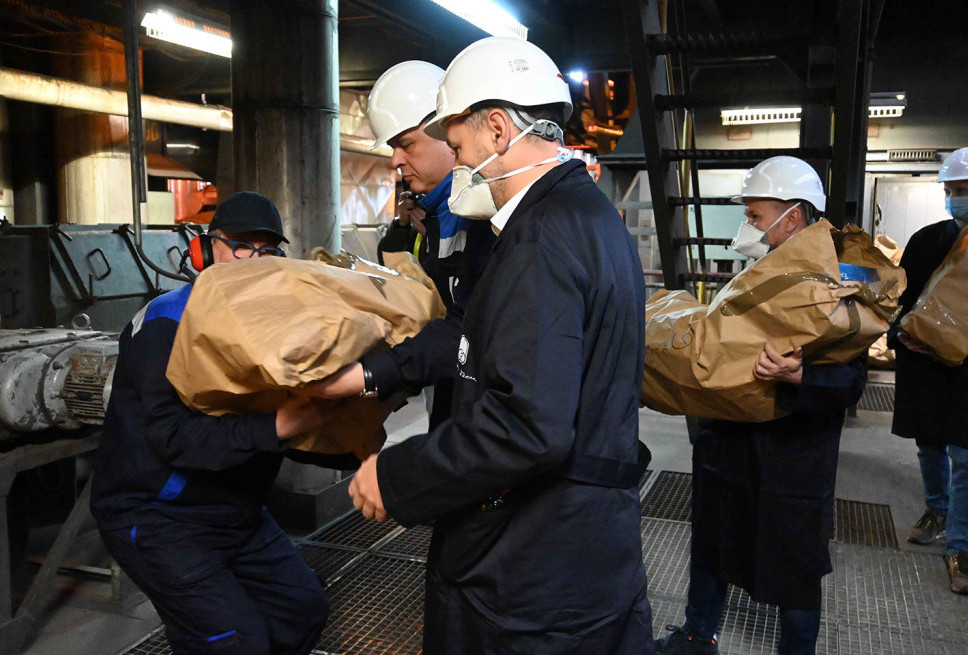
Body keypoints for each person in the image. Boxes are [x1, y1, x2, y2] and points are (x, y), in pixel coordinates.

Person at [315, 37, 654, 653]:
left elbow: (528, 425)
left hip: (534, 568)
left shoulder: (541, 240)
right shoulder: (590, 217)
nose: (457, 157)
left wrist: (397, 476)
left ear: (498, 129)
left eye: (460, 142)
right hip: (583, 549)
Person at [91, 192, 343, 654]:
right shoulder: (167, 324)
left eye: (268, 250)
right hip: (158, 516)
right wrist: (279, 426)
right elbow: (174, 438)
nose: (256, 260)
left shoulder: (269, 328)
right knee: (232, 641)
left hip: (234, 509)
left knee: (303, 609)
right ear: (205, 251)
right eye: (242, 246)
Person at [654, 157, 867, 655]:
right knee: (710, 544)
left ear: (791, 216)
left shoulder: (836, 279)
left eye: (755, 214)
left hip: (791, 459)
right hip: (727, 441)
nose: (748, 224)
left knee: (794, 565)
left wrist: (802, 376)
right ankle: (696, 635)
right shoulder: (763, 268)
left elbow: (851, 379)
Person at [360, 59, 496, 431]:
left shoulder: (487, 216)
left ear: (445, 130)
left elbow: (468, 328)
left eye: (405, 145)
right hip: (458, 398)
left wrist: (373, 374)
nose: (394, 161)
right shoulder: (437, 211)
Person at [891, 146, 968, 596]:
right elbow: (900, 301)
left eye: (962, 191)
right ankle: (937, 510)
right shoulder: (928, 239)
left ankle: (961, 547)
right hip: (925, 366)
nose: (954, 200)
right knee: (929, 443)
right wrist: (900, 336)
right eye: (949, 191)